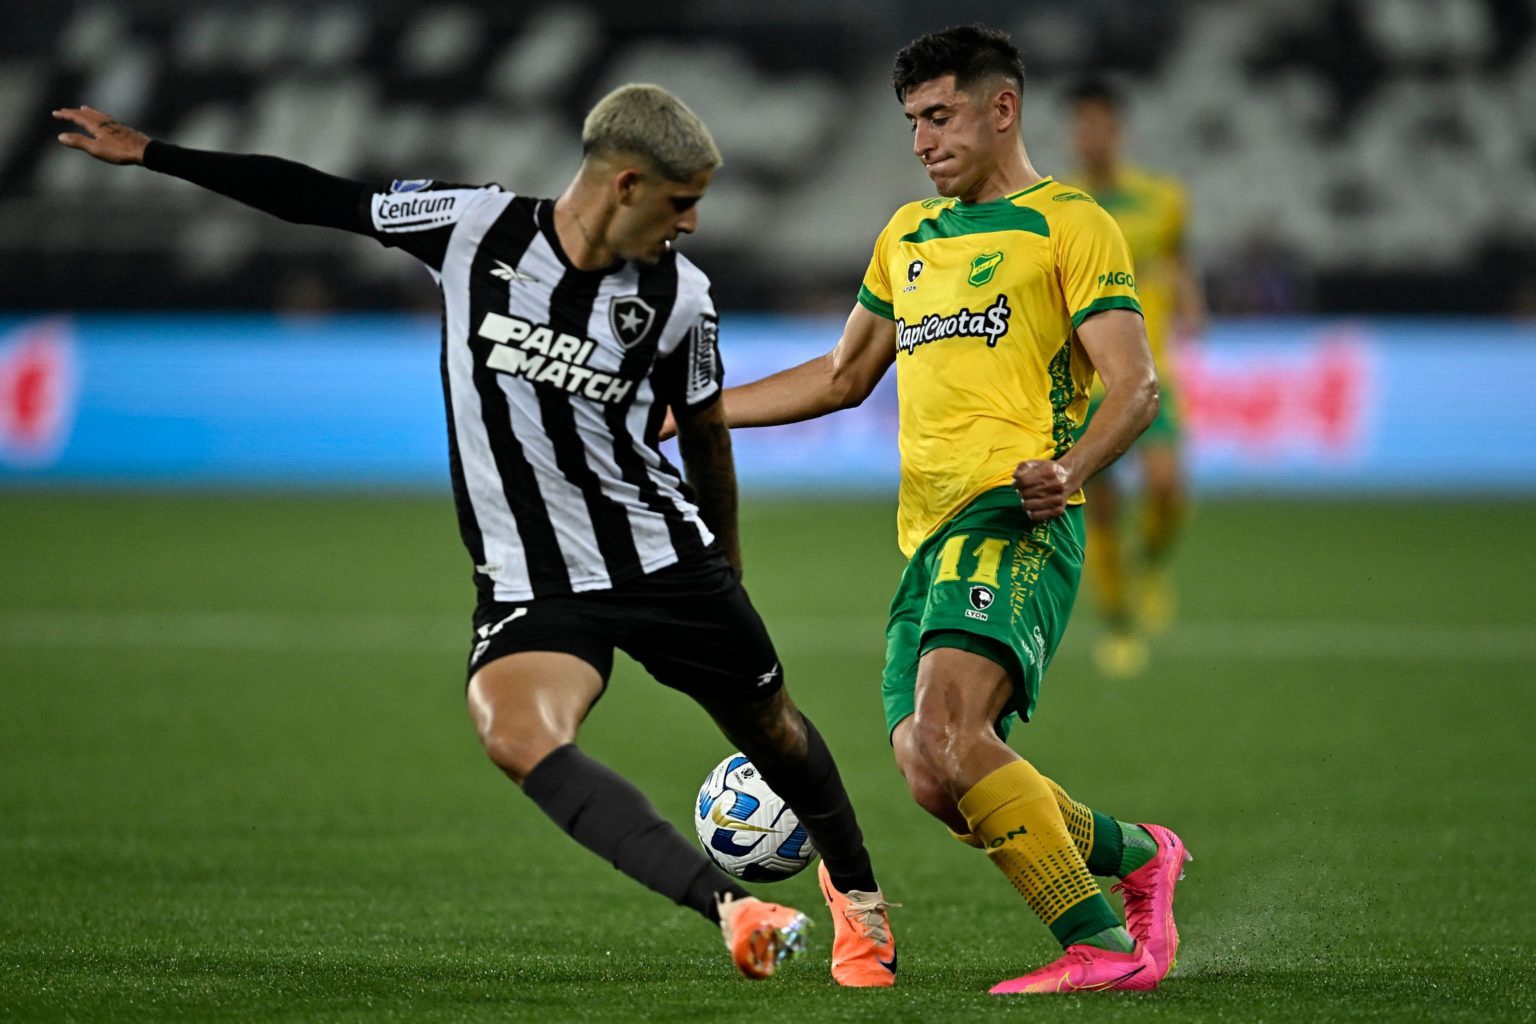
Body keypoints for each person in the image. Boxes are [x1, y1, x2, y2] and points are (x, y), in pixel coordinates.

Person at [51, 85, 898, 986]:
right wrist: (155, 153)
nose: (691, 224)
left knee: (773, 730)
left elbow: (704, 433)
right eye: (681, 202)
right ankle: (734, 907)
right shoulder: (472, 229)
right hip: (530, 578)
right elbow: (320, 197)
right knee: (515, 734)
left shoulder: (679, 298)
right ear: (624, 185)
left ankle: (861, 904)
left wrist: (725, 562)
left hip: (659, 558)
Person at [694, 27, 1191, 994]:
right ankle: (1139, 856)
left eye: (939, 116)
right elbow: (843, 377)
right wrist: (696, 412)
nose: (920, 142)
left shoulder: (1070, 223)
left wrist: (1072, 467)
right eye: (912, 122)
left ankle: (1101, 949)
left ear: (1001, 109)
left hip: (1014, 515)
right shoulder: (907, 235)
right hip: (926, 539)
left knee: (954, 731)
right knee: (931, 768)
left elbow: (1136, 387)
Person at [1066, 78, 1207, 677]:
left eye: (1101, 124)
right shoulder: (1062, 208)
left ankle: (1147, 563)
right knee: (1099, 507)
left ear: (1117, 131)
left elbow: (1176, 259)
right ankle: (1119, 620)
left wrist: (1192, 300)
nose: (1091, 136)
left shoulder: (1163, 199)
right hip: (1086, 382)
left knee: (1168, 487)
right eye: (1082, 125)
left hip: (1153, 370)